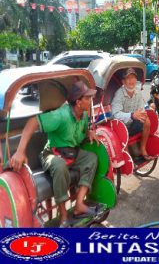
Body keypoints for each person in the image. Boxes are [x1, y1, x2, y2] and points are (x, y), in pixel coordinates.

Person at [10, 80, 100, 227]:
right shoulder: (61, 115)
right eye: (87, 98)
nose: (91, 101)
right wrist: (20, 151)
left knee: (92, 158)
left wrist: (89, 132)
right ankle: (64, 215)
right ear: (78, 102)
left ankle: (79, 204)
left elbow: (81, 134)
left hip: (72, 153)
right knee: (59, 165)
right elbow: (33, 122)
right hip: (52, 154)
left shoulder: (83, 116)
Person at [111, 67, 154, 160]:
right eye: (128, 78)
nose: (132, 81)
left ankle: (143, 148)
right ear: (123, 81)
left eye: (133, 78)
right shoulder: (119, 94)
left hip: (133, 124)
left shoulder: (137, 92)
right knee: (121, 128)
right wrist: (132, 115)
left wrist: (143, 114)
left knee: (147, 120)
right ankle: (128, 157)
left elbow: (141, 108)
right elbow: (115, 115)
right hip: (122, 126)